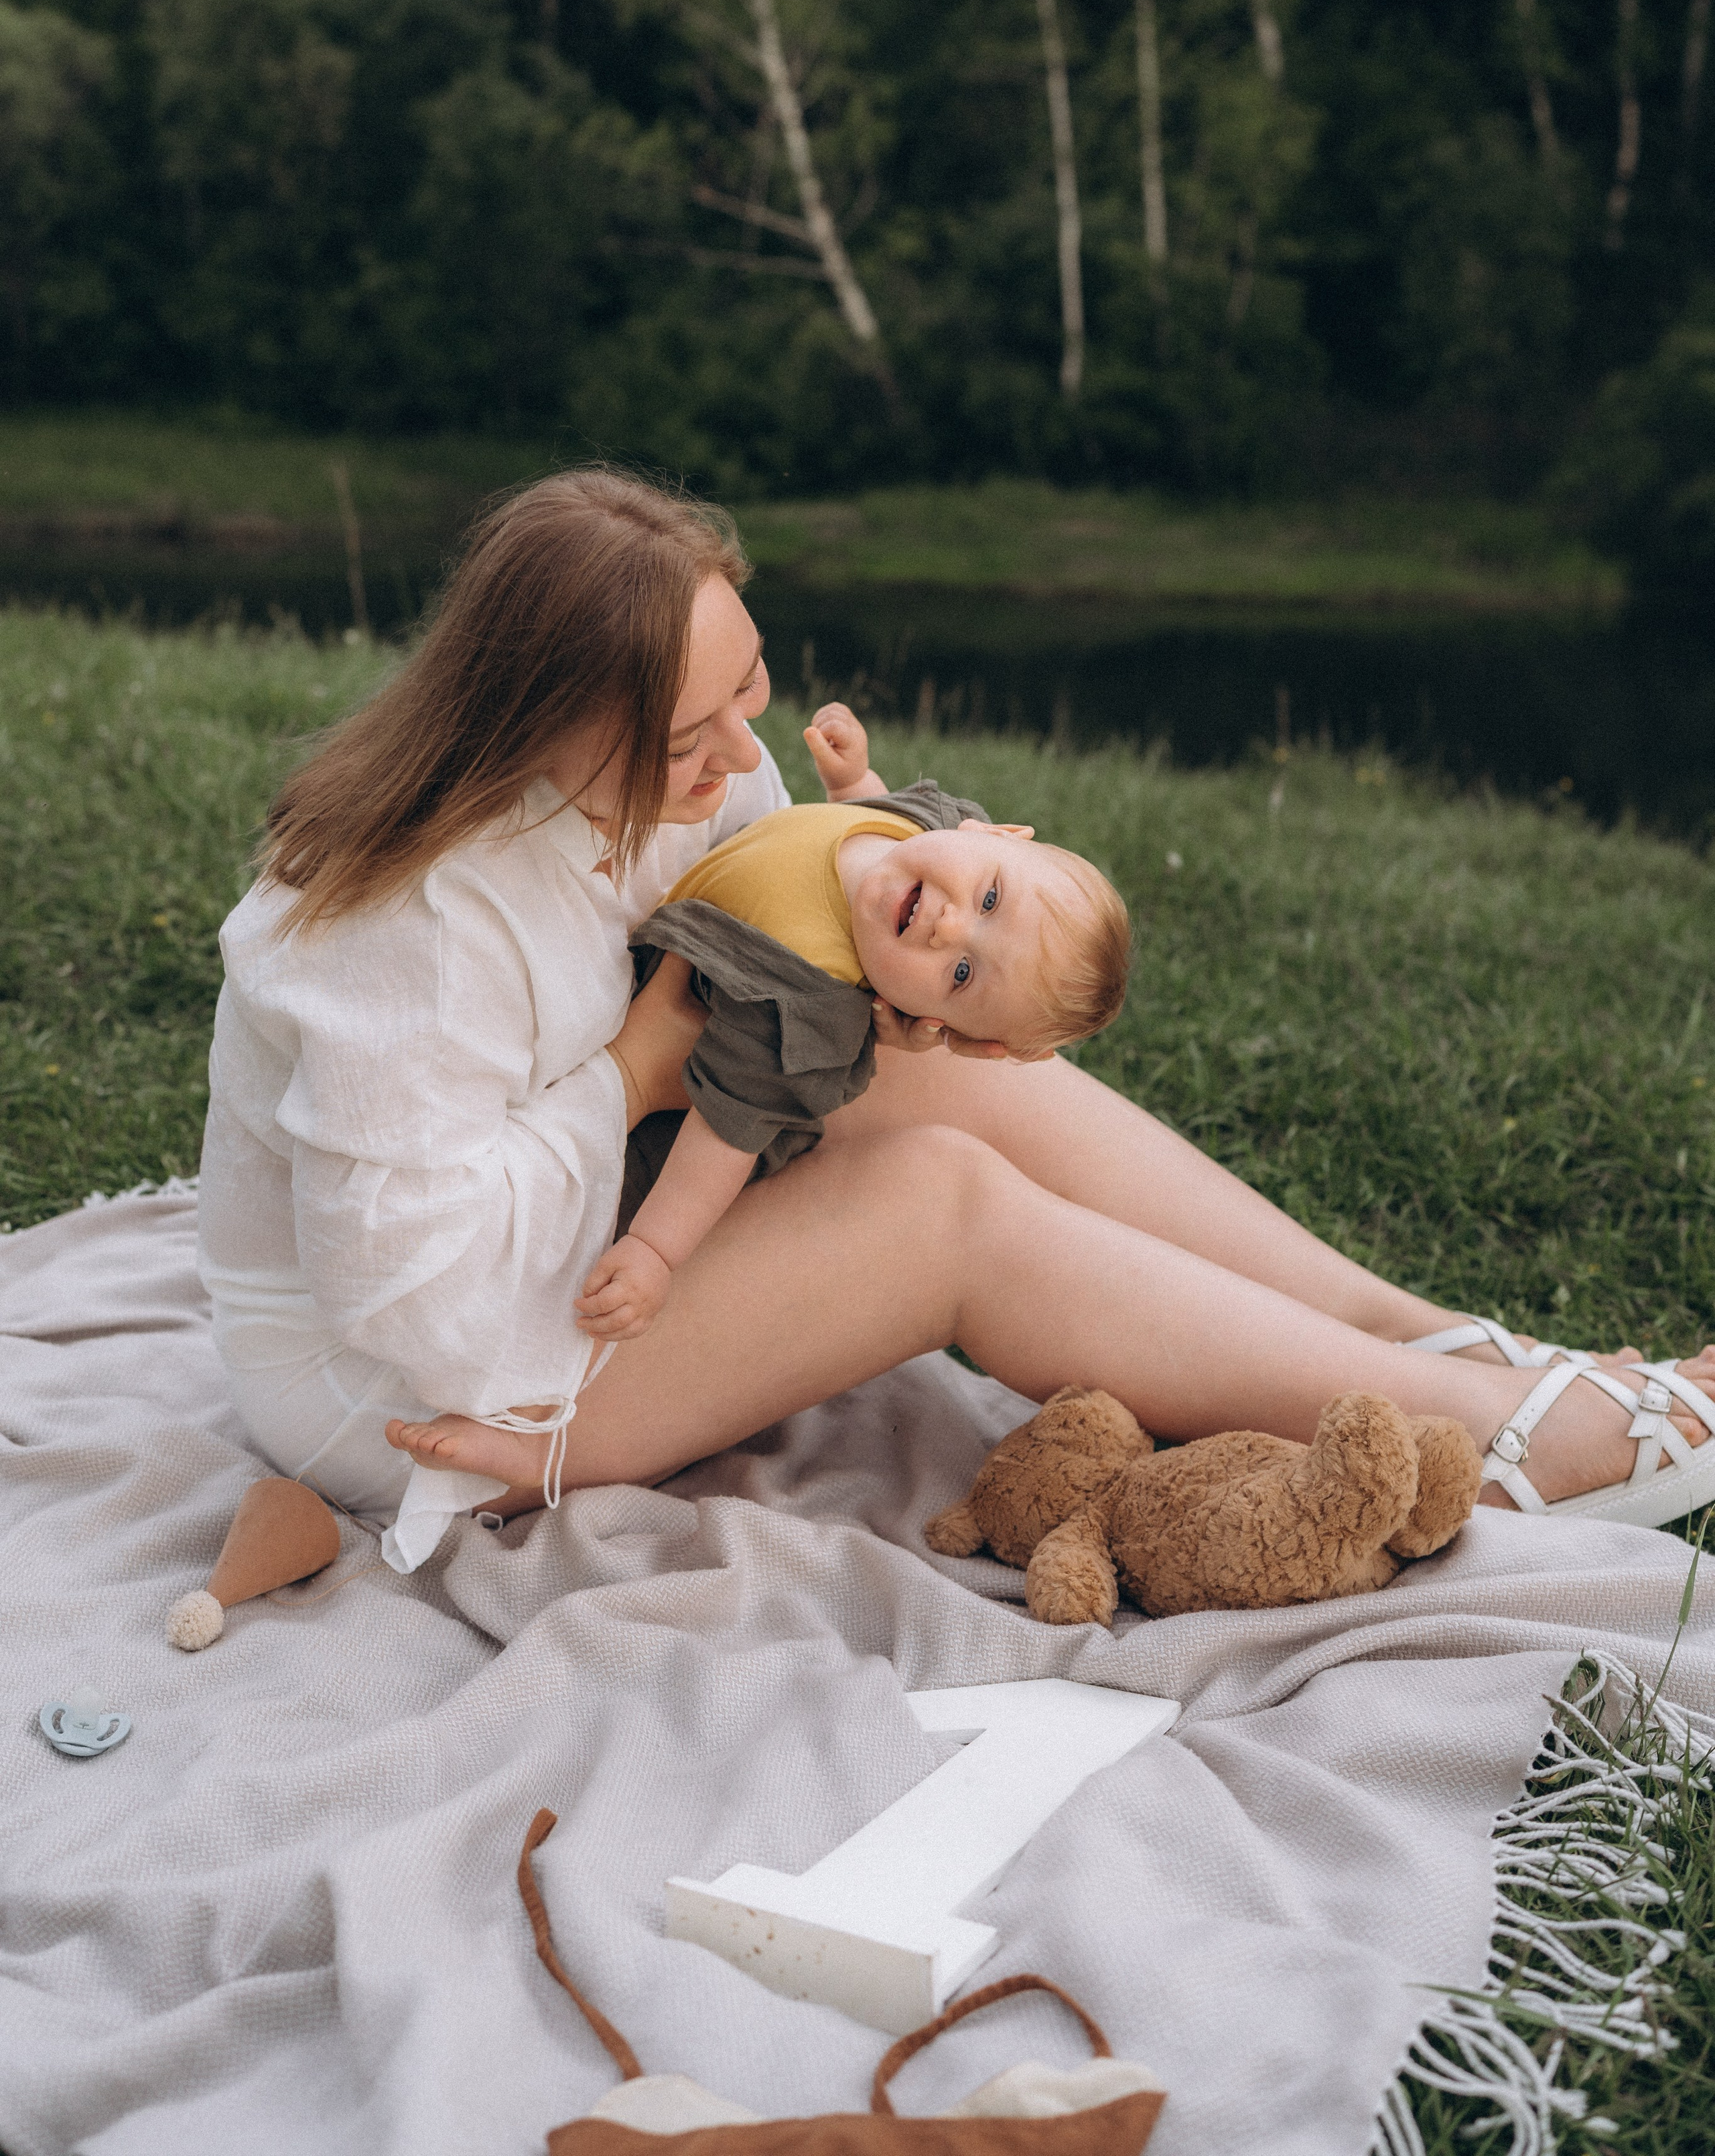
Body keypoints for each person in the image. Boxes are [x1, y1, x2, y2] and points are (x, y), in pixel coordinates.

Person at [196, 468, 1715, 1576]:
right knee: (942, 1203)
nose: (739, 758)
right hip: (407, 1378)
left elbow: (782, 940)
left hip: (609, 1204)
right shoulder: (397, 919)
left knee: (961, 1097)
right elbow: (408, 1294)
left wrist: (897, 1014)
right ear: (547, 728)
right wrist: (637, 1072)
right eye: (689, 734)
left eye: (752, 686)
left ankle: (1423, 1339)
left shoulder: (688, 777)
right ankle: (1488, 1437)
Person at [573, 716, 1129, 1344]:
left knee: (605, 1202)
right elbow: (865, 822)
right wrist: (852, 783)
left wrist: (654, 1248)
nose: (949, 926)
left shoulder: (810, 1002)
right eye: (992, 899)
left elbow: (727, 1131)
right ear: (991, 831)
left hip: (658, 1145)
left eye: (964, 972)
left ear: (934, 1020)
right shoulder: (924, 822)